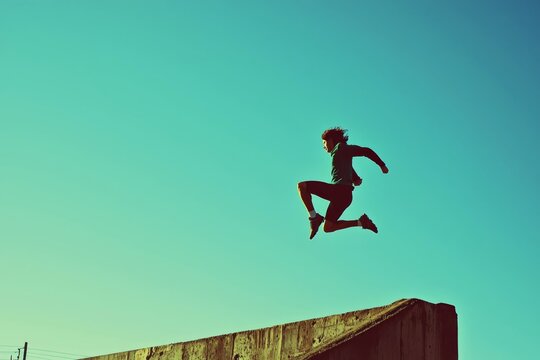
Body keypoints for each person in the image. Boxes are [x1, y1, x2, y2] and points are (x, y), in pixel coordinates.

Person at [297, 127, 389, 239]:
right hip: (344, 196)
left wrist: (382, 165)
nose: (324, 146)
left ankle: (314, 218)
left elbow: (366, 151)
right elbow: (347, 166)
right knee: (328, 228)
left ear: (331, 140)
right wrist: (355, 178)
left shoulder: (341, 147)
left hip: (339, 191)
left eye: (325, 143)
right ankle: (361, 222)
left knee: (302, 186)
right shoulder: (339, 152)